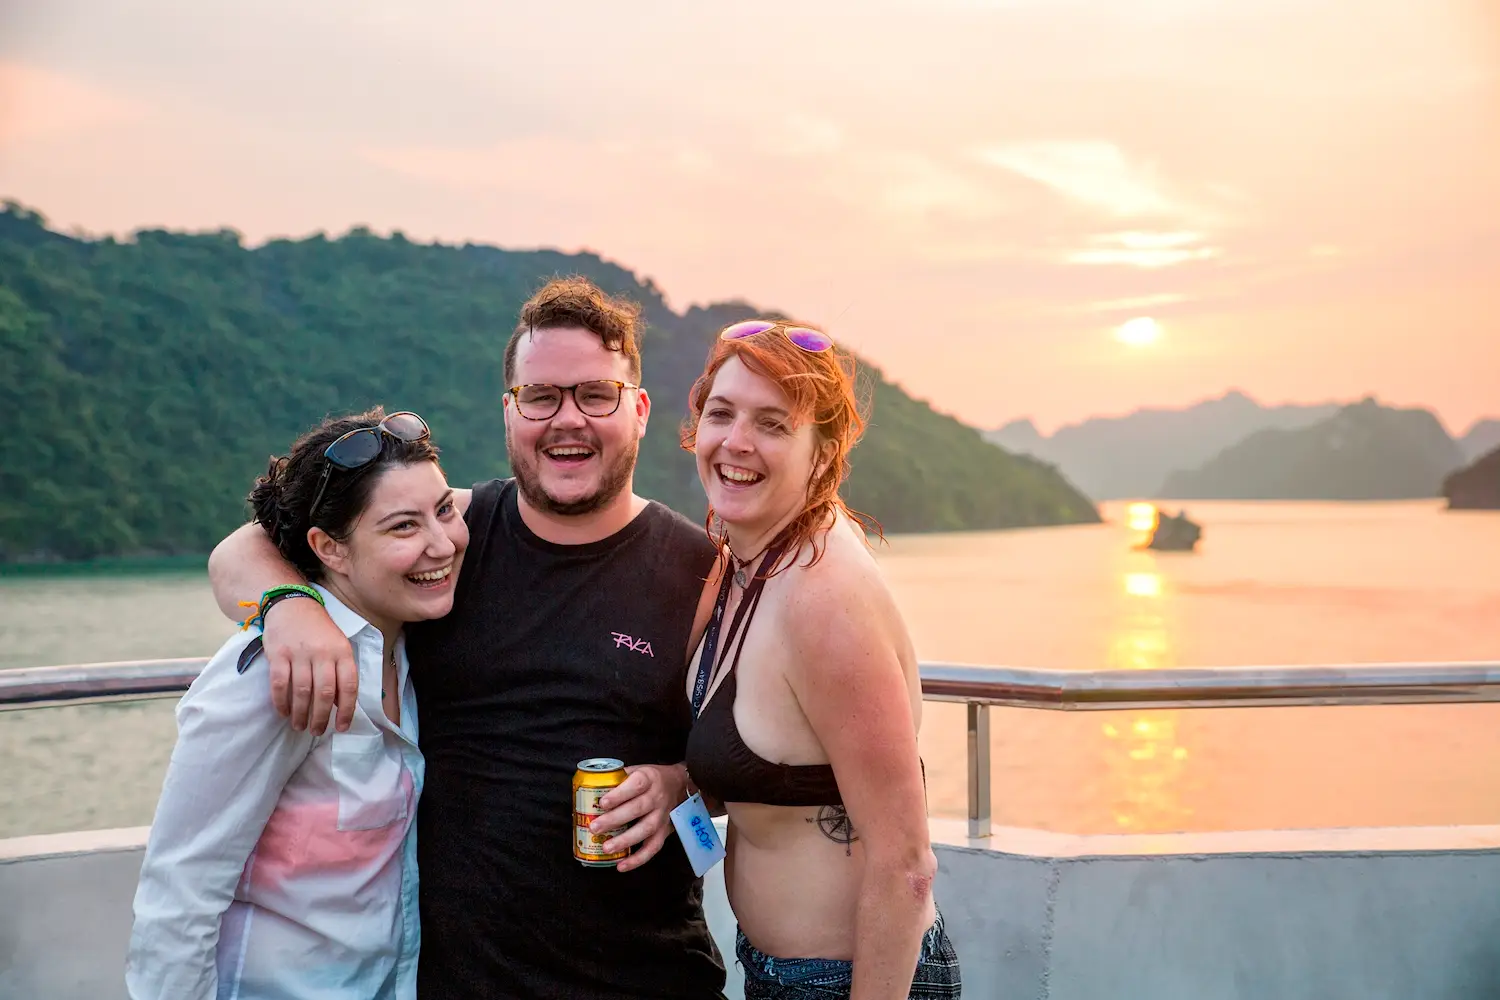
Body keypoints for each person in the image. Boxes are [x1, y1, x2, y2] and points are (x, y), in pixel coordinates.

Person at [203, 278, 726, 999]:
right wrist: (289, 604)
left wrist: (680, 780)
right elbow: (244, 544)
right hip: (461, 983)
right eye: (540, 396)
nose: (566, 419)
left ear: (637, 410)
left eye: (595, 395)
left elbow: (755, 755)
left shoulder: (701, 572)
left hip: (647, 979)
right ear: (510, 413)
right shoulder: (452, 534)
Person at [127, 408, 467, 999]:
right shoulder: (270, 675)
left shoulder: (413, 646)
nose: (442, 544)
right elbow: (180, 894)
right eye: (403, 528)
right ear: (329, 549)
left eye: (443, 512)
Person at [680, 320, 961, 999]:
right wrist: (675, 782)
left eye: (773, 424)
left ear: (822, 451)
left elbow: (904, 864)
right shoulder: (754, 561)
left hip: (845, 982)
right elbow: (781, 758)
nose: (736, 442)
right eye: (722, 413)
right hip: (774, 968)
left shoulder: (824, 600)